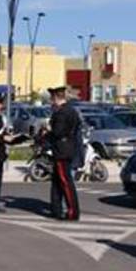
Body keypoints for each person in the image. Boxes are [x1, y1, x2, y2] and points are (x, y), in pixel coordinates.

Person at [48, 86, 82, 220]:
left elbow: (58, 132)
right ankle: (56, 209)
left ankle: (73, 211)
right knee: (57, 181)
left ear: (57, 98)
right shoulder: (71, 110)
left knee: (65, 182)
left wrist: (48, 130)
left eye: (52, 98)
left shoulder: (63, 112)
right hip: (66, 148)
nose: (51, 101)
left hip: (62, 150)